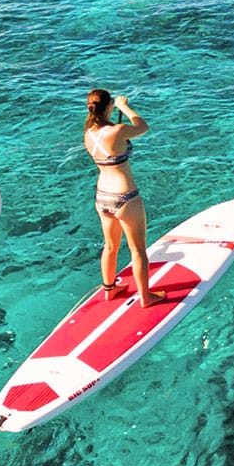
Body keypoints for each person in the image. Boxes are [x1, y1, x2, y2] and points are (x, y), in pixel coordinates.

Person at [85, 88, 160, 308]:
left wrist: (113, 106)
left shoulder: (88, 133)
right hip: (125, 195)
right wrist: (124, 106)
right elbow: (142, 127)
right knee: (137, 250)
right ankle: (146, 297)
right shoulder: (117, 130)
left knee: (110, 247)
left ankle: (110, 289)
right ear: (109, 107)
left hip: (102, 196)